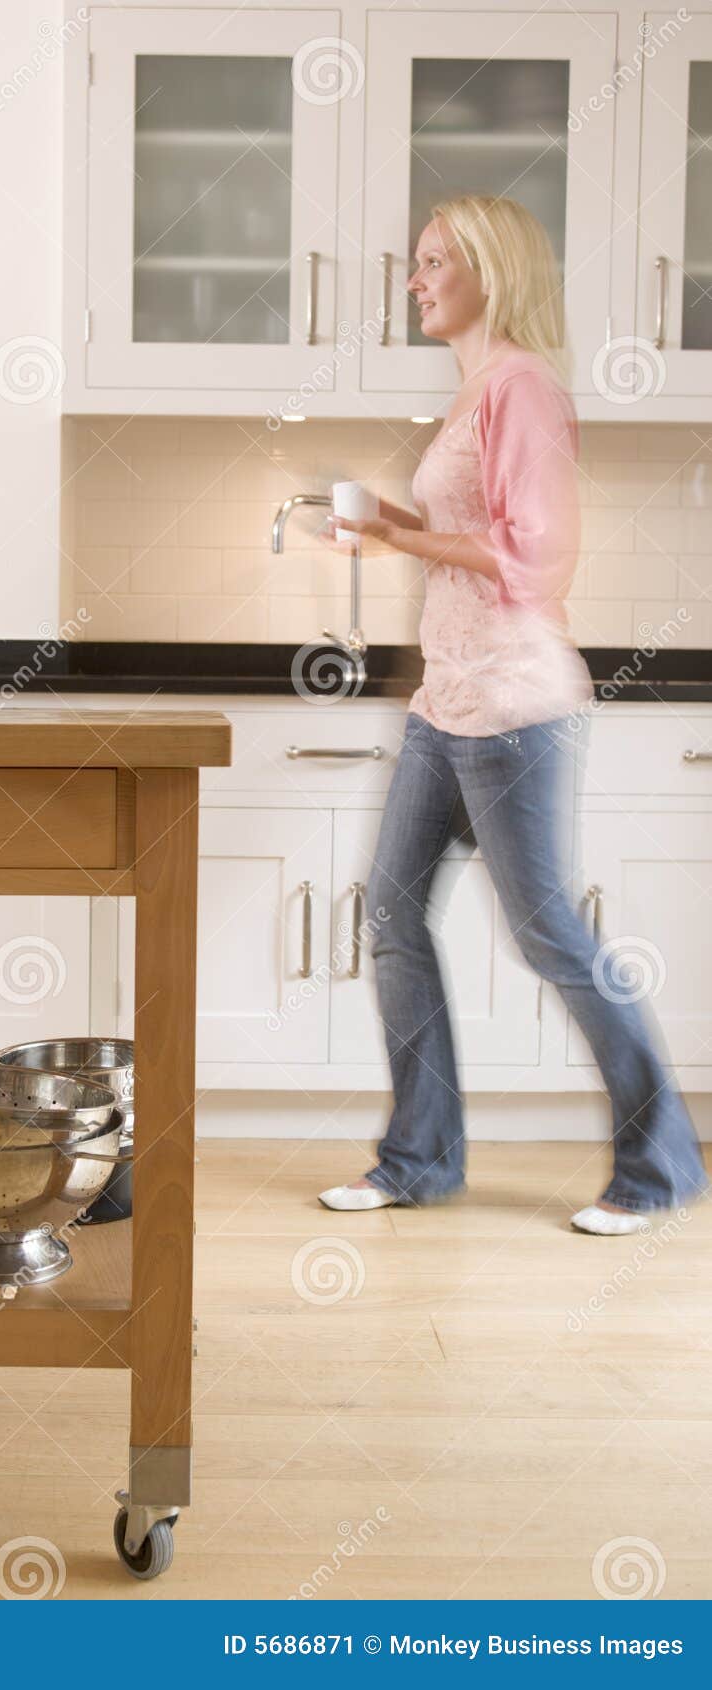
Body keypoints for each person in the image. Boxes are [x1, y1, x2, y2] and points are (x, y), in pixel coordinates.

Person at [317, 194, 707, 1235]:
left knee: (547, 939)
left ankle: (660, 1164)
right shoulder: (473, 391)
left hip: (517, 705)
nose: (414, 280)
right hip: (447, 700)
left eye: (433, 261)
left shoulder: (521, 387)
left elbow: (533, 559)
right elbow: (468, 531)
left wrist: (397, 541)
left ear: (488, 272)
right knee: (392, 917)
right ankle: (418, 1159)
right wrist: (383, 520)